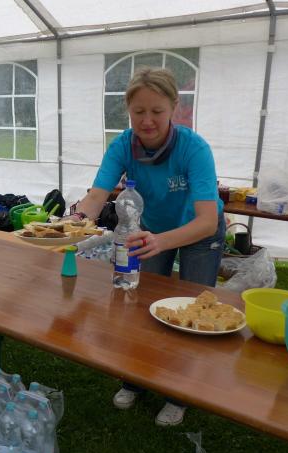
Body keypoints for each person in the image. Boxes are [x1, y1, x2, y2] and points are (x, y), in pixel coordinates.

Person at [68, 67, 224, 427]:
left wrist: (161, 241)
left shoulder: (194, 149)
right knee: (140, 304)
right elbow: (97, 195)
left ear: (174, 108)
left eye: (157, 111)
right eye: (139, 111)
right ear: (128, 110)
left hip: (199, 233)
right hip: (152, 228)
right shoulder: (123, 145)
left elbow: (205, 220)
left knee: (192, 309)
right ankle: (135, 378)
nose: (147, 121)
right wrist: (75, 219)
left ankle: (178, 393)